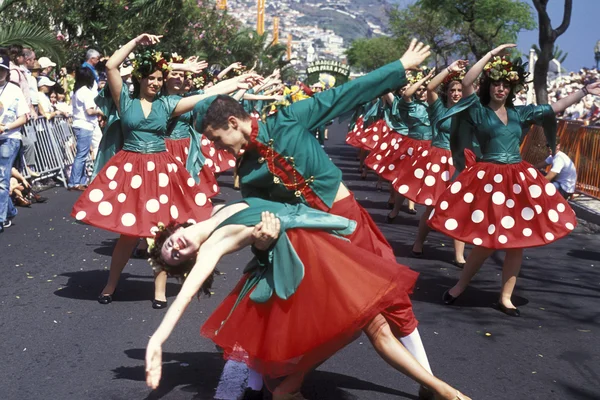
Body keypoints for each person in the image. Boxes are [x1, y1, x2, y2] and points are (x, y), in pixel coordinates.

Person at [194, 39, 439, 398]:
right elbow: (259, 222)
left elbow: (346, 94)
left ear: (233, 122)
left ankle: (427, 380)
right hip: (312, 241)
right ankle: (260, 381)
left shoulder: (289, 119)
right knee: (291, 308)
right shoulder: (247, 175)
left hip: (349, 222)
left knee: (392, 297)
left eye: (217, 140)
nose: (218, 150)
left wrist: (399, 67)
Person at [144, 200, 471, 400]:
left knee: (375, 323)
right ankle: (444, 391)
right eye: (176, 256)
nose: (176, 248)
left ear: (177, 228)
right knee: (372, 323)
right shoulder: (211, 247)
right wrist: (157, 340)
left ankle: (441, 390)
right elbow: (184, 297)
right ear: (193, 258)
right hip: (304, 260)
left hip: (313, 244)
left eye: (170, 243)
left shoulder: (215, 211)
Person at [71, 33, 258, 307]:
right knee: (128, 234)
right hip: (130, 168)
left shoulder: (167, 105)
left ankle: (159, 289)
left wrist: (236, 83)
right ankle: (110, 284)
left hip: (161, 170)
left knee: (161, 231)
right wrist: (137, 41)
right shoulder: (125, 101)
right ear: (141, 78)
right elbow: (111, 66)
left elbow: (206, 94)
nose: (157, 83)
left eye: (161, 79)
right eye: (153, 78)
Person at [429, 44, 600, 316]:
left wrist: (582, 92)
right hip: (487, 179)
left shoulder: (521, 114)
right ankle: (460, 286)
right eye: (496, 84)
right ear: (490, 87)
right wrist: (491, 55)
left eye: (506, 85)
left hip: (516, 180)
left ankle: (505, 297)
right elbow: (467, 80)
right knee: (486, 242)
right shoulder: (478, 110)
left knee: (516, 240)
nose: (501, 89)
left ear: (511, 88)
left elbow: (553, 107)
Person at [402, 60, 469, 266]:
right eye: (452, 90)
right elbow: (430, 87)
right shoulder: (438, 109)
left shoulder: (470, 111)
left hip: (462, 162)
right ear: (446, 92)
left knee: (461, 210)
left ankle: (459, 255)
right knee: (432, 207)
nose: (456, 93)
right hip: (441, 161)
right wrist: (449, 70)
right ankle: (419, 242)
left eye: (459, 90)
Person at [0, 51, 29, 233]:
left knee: (2, 179)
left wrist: (6, 127)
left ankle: (0, 219)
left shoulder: (14, 90)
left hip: (9, 139)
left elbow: (24, 117)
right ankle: (9, 210)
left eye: (2, 70)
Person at [68, 67, 104, 191]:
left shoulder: (76, 91)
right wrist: (100, 111)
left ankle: (81, 180)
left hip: (78, 123)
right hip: (85, 124)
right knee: (82, 155)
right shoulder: (86, 92)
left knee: (82, 154)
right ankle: (74, 182)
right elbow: (89, 110)